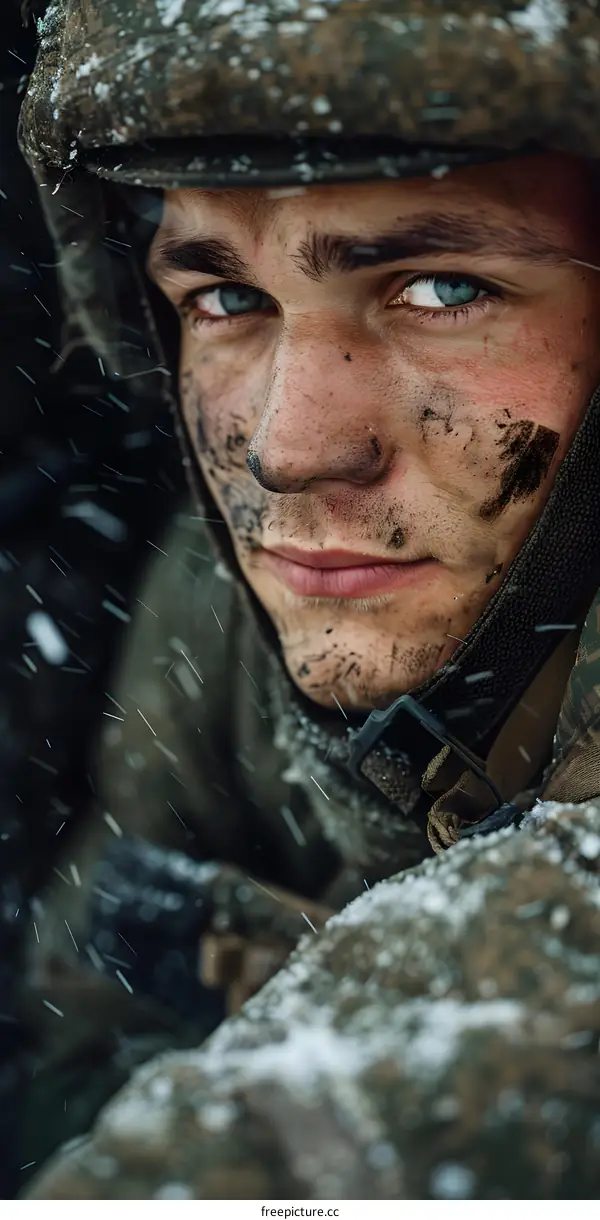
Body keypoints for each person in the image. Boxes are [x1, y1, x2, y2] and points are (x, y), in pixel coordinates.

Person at [16, 0, 600, 1198]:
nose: (287, 449)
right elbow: (66, 1039)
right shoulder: (219, 598)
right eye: (226, 299)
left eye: (443, 288)